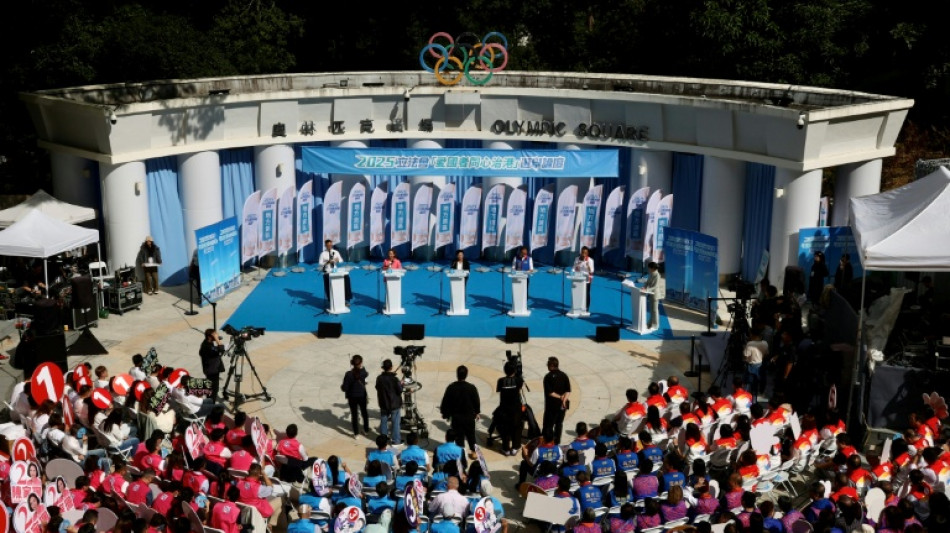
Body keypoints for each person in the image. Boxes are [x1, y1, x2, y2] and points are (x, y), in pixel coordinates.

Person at [439, 365, 480, 457]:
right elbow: (476, 401)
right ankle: (474, 452)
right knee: (471, 435)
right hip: (469, 417)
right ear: (466, 374)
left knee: (459, 436)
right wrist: (477, 412)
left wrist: (445, 413)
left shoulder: (451, 387)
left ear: (457, 374)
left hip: (457, 417)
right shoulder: (471, 388)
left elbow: (446, 401)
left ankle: (461, 452)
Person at [495, 361, 523, 456]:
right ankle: (515, 447)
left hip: (504, 408)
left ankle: (506, 449)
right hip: (515, 408)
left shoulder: (501, 381)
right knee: (517, 426)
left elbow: (499, 390)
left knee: (505, 428)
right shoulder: (519, 380)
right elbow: (519, 388)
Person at [542, 356, 571, 444]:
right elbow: (568, 390)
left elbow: (550, 393)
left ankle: (548, 441)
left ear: (551, 365)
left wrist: (560, 397)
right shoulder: (564, 375)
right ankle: (557, 441)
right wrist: (563, 400)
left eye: (548, 364)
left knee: (549, 425)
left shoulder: (548, 377)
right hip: (563, 406)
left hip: (551, 406)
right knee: (559, 424)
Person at [375, 359, 403, 446]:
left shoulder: (379, 378)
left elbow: (377, 387)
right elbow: (400, 390)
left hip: (383, 403)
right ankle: (396, 440)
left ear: (383, 368)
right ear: (391, 367)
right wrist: (400, 384)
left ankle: (384, 439)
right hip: (394, 404)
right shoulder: (395, 379)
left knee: (383, 420)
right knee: (395, 422)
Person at [341, 355, 370, 438]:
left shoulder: (348, 374)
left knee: (354, 414)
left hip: (352, 397)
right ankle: (366, 430)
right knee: (364, 413)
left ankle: (356, 433)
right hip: (362, 395)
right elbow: (365, 373)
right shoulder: (363, 372)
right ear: (361, 363)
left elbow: (344, 388)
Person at [318, 239, 351, 307]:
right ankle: (331, 301)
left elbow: (341, 260)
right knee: (329, 284)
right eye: (328, 245)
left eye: (331, 245)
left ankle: (345, 299)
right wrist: (327, 262)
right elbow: (320, 263)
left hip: (335, 270)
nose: (330, 246)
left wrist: (337, 260)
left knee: (346, 278)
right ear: (325, 246)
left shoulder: (335, 252)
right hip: (327, 270)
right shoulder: (323, 254)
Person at [199, 328, 225, 402]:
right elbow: (221, 349)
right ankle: (211, 405)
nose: (217, 336)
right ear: (210, 337)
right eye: (215, 335)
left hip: (211, 369)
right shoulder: (207, 347)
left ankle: (210, 402)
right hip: (212, 371)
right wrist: (217, 340)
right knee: (213, 390)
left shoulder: (207, 343)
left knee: (211, 388)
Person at [573, 246, 594, 310]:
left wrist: (588, 266)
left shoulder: (590, 260)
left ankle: (587, 307)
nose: (583, 254)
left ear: (587, 253)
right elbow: (574, 269)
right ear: (581, 252)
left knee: (586, 293)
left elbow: (591, 271)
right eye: (582, 252)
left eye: (585, 253)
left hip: (587, 279)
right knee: (578, 292)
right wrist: (577, 266)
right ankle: (578, 306)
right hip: (578, 278)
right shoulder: (577, 259)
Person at [642, 261, 661, 329]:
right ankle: (650, 323)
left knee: (655, 310)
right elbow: (647, 282)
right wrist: (644, 287)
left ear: (652, 268)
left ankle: (655, 325)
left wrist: (647, 290)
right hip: (650, 294)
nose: (648, 269)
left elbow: (655, 286)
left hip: (655, 295)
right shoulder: (651, 274)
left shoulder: (657, 275)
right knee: (651, 310)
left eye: (649, 268)